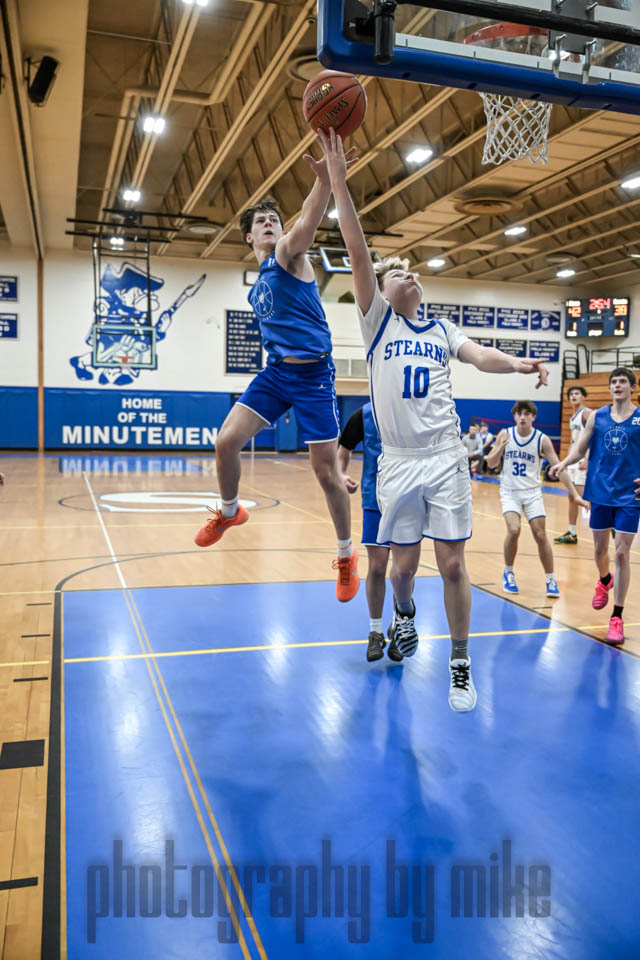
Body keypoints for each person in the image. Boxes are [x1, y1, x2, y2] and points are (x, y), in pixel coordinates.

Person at [319, 126, 549, 712]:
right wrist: (340, 184)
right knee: (401, 571)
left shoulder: (442, 329)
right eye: (400, 274)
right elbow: (358, 251)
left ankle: (460, 663)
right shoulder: (377, 324)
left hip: (445, 457)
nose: (411, 276)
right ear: (382, 292)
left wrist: (518, 363)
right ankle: (403, 614)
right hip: (397, 464)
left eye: (415, 272)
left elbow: (481, 355)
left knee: (451, 564)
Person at [194, 150, 363, 604]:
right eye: (261, 221)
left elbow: (307, 220)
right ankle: (230, 511)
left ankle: (346, 555)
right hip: (275, 374)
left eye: (274, 218)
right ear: (249, 237)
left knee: (326, 474)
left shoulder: (288, 254)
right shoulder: (259, 283)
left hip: (314, 378)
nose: (270, 223)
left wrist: (324, 179)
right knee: (225, 442)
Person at [551, 367, 640, 644]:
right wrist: (564, 463)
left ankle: (617, 617)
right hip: (600, 491)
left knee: (622, 554)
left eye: (623, 381)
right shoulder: (598, 416)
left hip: (630, 495)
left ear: (632, 387)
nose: (617, 385)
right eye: (614, 382)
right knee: (600, 551)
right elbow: (580, 448)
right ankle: (604, 580)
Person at [486, 400, 586, 598]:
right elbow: (490, 463)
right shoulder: (505, 434)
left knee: (540, 535)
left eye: (527, 414)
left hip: (532, 492)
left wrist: (575, 494)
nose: (522, 417)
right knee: (514, 530)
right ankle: (508, 573)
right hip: (510, 491)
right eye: (519, 414)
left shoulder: (542, 439)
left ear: (533, 417)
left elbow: (558, 467)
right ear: (514, 416)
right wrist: (499, 448)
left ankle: (550, 578)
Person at [337, 402, 403, 663]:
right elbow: (344, 449)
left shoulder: (412, 408)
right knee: (377, 566)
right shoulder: (364, 414)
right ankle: (376, 632)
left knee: (403, 570)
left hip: (407, 497)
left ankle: (401, 627)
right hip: (375, 497)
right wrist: (340, 473)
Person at [554, 386, 591, 544]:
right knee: (572, 497)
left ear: (583, 396)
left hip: (583, 460)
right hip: (573, 461)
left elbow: (595, 436)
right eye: (571, 394)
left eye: (577, 393)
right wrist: (566, 460)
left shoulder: (587, 413)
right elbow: (573, 441)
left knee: (583, 497)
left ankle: (610, 523)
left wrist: (587, 459)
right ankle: (572, 532)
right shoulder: (572, 417)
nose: (574, 396)